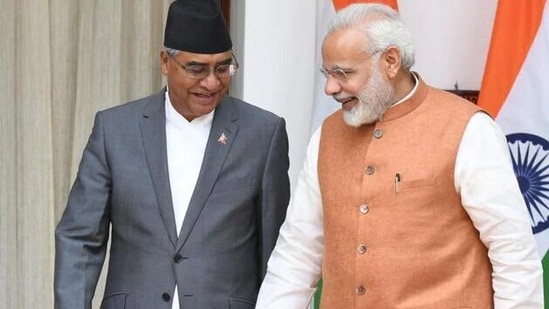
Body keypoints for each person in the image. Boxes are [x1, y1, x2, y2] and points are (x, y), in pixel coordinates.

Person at [256, 3, 543, 309]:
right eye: (328, 73)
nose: (330, 87)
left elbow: (514, 256)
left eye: (343, 73)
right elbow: (297, 254)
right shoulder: (327, 135)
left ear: (390, 61)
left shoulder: (470, 130)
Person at [54, 0, 291, 308]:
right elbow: (80, 240)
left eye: (223, 67)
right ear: (166, 62)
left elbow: (277, 252)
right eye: (197, 69)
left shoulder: (263, 133)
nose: (212, 82)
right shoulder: (114, 130)